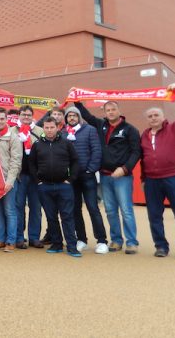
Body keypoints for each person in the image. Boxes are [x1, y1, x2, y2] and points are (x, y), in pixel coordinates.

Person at [74, 98, 141, 254]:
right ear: (104, 112)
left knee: (126, 210)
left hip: (122, 177)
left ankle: (132, 242)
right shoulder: (100, 125)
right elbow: (87, 116)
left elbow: (136, 152)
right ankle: (116, 240)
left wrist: (125, 168)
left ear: (119, 111)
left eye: (113, 109)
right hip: (105, 175)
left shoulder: (130, 129)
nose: (110, 112)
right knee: (110, 210)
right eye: (108, 110)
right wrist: (77, 102)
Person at [140, 83, 175, 259]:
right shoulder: (144, 135)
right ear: (147, 120)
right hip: (152, 181)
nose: (153, 118)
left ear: (163, 117)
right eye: (150, 116)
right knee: (154, 215)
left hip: (174, 177)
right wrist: (143, 178)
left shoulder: (174, 128)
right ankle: (161, 246)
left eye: (156, 115)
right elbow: (143, 158)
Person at [28, 116, 80, 257]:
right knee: (51, 217)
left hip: (64, 186)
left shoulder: (66, 143)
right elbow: (31, 163)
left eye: (52, 127)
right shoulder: (37, 145)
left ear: (57, 128)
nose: (49, 130)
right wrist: (38, 181)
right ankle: (57, 244)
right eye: (47, 127)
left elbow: (75, 161)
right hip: (44, 187)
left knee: (67, 216)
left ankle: (72, 246)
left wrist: (70, 179)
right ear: (43, 128)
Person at [63, 106, 108, 254]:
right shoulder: (63, 133)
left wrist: (90, 169)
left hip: (87, 176)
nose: (72, 118)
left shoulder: (89, 130)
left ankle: (102, 241)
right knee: (75, 209)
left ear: (79, 117)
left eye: (74, 115)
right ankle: (81, 239)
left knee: (93, 208)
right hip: (72, 178)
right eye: (69, 116)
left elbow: (96, 150)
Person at [0, 107, 23, 252]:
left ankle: (11, 240)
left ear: (6, 119)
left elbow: (16, 161)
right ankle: (0, 239)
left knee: (10, 211)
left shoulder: (13, 137)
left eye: (2, 119)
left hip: (8, 180)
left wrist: (10, 181)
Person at [15, 105, 45, 249]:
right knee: (18, 207)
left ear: (32, 116)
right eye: (23, 114)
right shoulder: (12, 131)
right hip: (19, 176)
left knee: (36, 208)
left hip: (36, 176)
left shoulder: (40, 131)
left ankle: (34, 237)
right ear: (19, 116)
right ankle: (19, 237)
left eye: (28, 115)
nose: (26, 117)